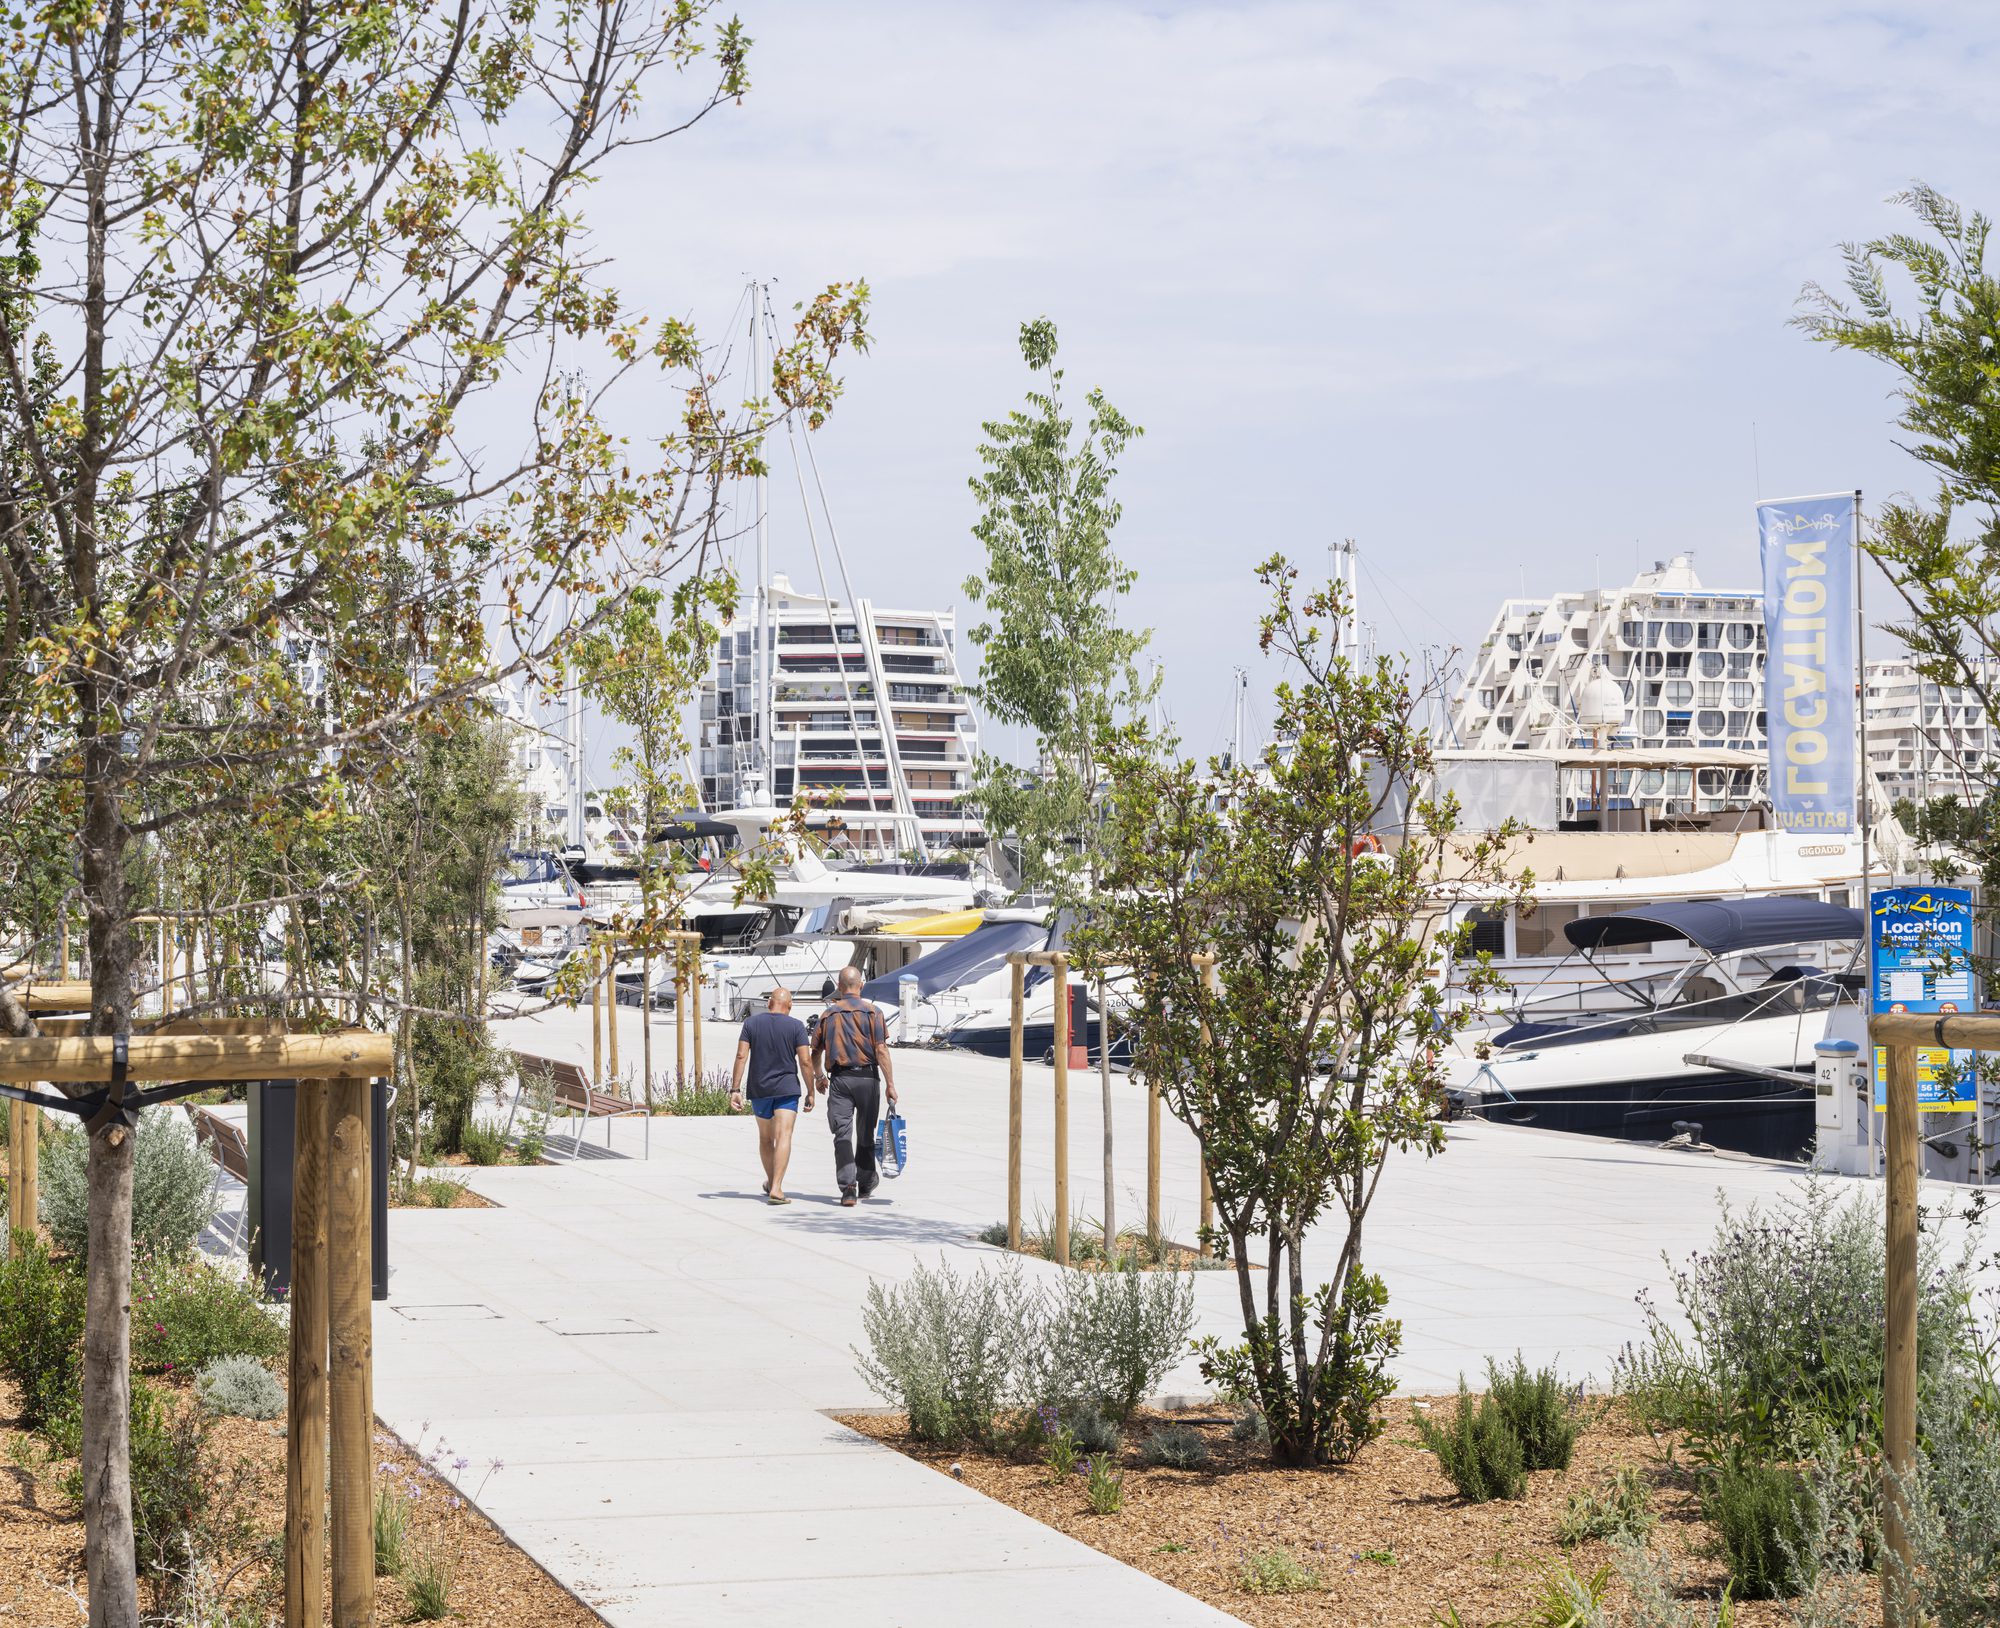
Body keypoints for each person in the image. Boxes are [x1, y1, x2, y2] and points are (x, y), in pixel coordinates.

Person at [812, 965, 897, 1207]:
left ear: (839, 987)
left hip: (840, 1080)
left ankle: (848, 1188)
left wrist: (819, 1077)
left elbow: (814, 1052)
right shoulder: (874, 1012)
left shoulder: (828, 1015)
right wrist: (890, 1084)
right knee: (865, 1133)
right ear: (861, 985)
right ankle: (867, 1180)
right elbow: (881, 1049)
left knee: (842, 1134)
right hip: (868, 1079)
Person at [728, 988, 815, 1204]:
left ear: (769, 1004)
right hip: (787, 1088)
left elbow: (741, 1055)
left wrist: (735, 1089)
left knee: (766, 1138)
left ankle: (771, 1181)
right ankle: (776, 1187)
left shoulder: (751, 1024)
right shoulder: (796, 1026)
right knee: (784, 1135)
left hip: (760, 1089)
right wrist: (811, 1091)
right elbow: (805, 1061)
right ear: (790, 1005)